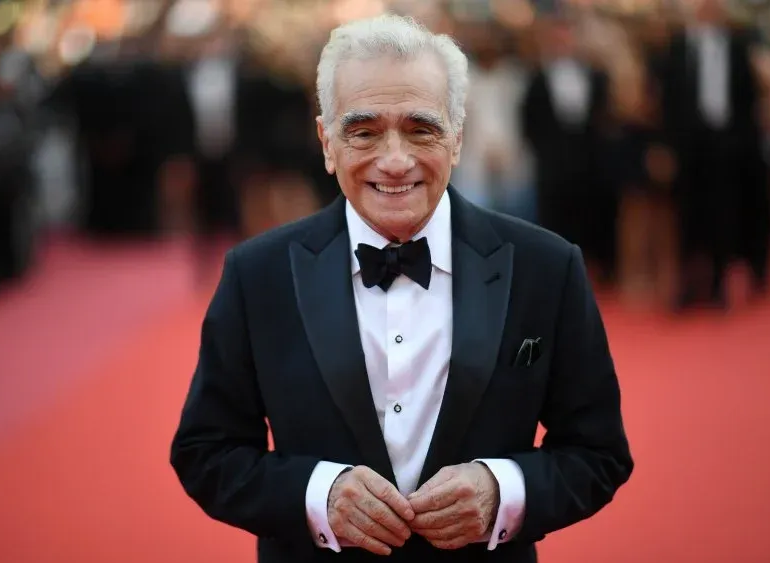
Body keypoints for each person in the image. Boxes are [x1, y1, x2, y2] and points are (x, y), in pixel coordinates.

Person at [170, 14, 633, 563]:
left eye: (421, 129)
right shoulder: (257, 275)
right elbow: (206, 452)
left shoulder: (546, 268)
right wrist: (317, 497)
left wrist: (502, 490)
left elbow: (598, 451)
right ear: (326, 142)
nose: (394, 161)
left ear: (456, 138)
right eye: (364, 132)